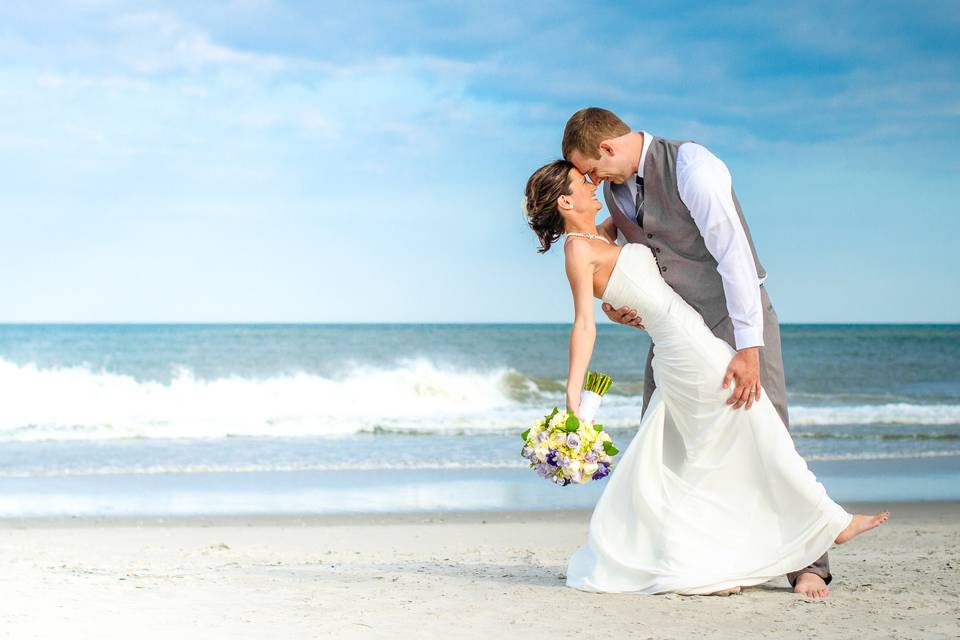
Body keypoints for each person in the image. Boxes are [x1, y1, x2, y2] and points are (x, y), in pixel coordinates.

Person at [522, 159, 888, 596]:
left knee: (709, 453)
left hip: (688, 344)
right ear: (565, 200)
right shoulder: (577, 251)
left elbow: (630, 262)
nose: (590, 183)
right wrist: (572, 390)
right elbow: (585, 322)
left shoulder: (598, 234)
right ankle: (833, 522)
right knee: (756, 426)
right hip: (684, 350)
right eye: (582, 182)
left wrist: (615, 303)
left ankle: (725, 557)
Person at [562, 106, 827, 598]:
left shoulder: (692, 166)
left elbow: (735, 257)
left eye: (589, 168)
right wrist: (615, 302)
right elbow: (609, 255)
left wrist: (748, 347)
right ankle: (695, 563)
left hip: (733, 315)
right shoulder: (615, 190)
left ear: (607, 147)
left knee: (767, 428)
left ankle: (808, 563)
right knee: (664, 440)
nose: (589, 180)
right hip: (676, 330)